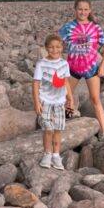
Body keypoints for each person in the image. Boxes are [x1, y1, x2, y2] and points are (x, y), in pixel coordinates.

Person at [59, 0, 104, 143]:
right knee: (66, 97)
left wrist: (102, 66)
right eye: (80, 9)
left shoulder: (96, 28)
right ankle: (63, 124)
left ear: (89, 10)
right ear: (75, 9)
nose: (82, 12)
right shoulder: (68, 27)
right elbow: (57, 44)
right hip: (72, 68)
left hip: (91, 69)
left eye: (85, 9)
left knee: (95, 99)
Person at [32, 34, 74, 170]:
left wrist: (70, 98)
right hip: (45, 101)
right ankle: (47, 154)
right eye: (51, 47)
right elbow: (36, 84)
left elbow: (66, 82)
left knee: (57, 129)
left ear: (62, 47)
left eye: (57, 47)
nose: (54, 50)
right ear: (46, 48)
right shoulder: (42, 64)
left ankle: (56, 155)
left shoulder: (64, 63)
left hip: (60, 102)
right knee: (47, 129)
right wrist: (37, 102)